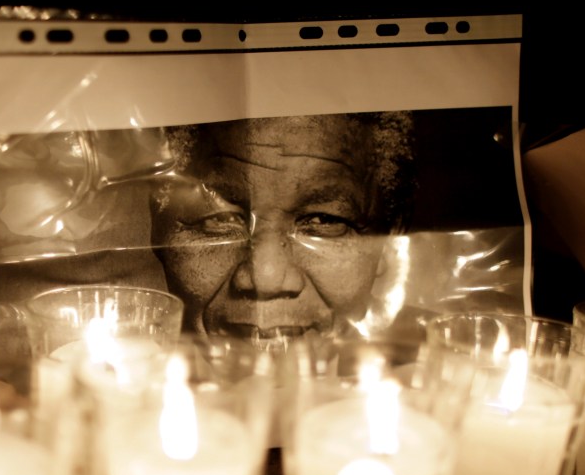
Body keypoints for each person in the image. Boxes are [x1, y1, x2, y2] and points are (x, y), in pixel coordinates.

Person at [148, 112, 417, 343]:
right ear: (158, 225)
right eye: (220, 219)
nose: (265, 278)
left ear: (391, 240)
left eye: (324, 221)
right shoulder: (114, 370)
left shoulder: (447, 368)